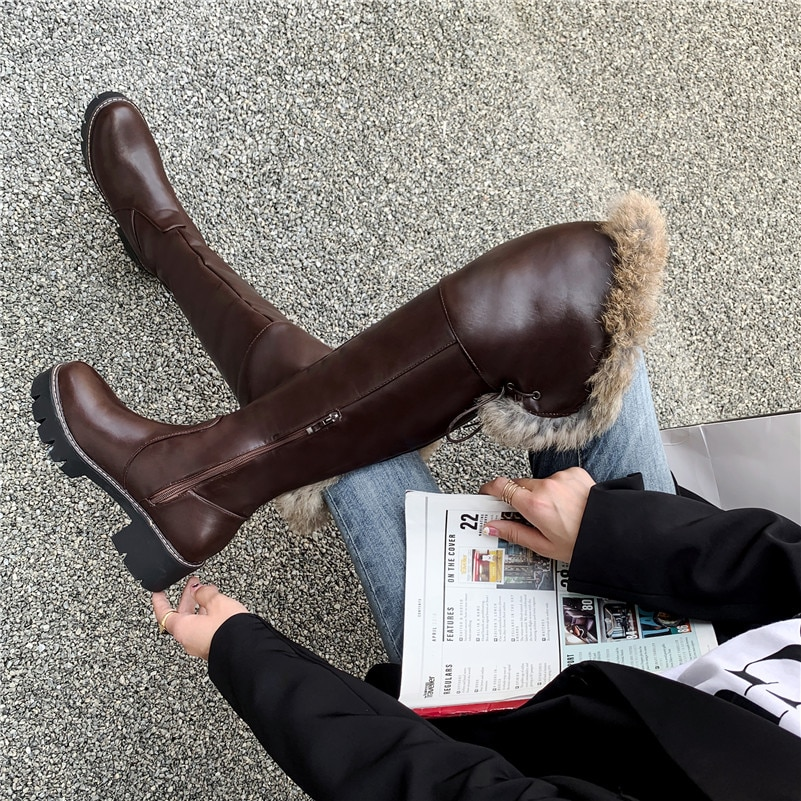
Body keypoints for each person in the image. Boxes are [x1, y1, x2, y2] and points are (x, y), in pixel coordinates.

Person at [32, 95, 801, 799]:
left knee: (333, 430)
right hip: (686, 593)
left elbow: (440, 791)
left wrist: (244, 652)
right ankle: (199, 477)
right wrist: (606, 531)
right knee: (585, 295)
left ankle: (167, 247)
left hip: (536, 719)